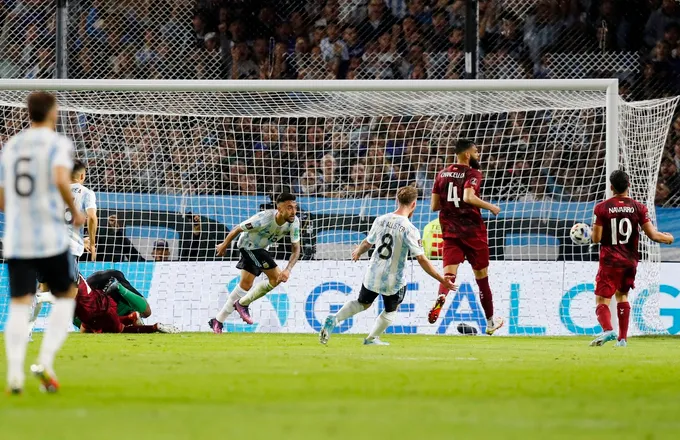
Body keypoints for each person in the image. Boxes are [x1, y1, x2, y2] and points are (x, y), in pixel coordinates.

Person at [1, 91, 85, 394]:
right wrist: (74, 210)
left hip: (18, 236)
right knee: (65, 296)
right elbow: (61, 178)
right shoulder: (58, 143)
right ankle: (45, 363)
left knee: (19, 303)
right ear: (52, 112)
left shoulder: (12, 145)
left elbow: (2, 198)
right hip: (49, 235)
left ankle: (14, 376)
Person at [319, 186, 456, 345]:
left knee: (363, 302)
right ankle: (371, 338)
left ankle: (334, 319)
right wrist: (441, 279)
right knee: (392, 308)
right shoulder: (410, 229)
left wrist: (358, 251)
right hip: (393, 278)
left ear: (397, 200)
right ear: (414, 204)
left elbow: (367, 243)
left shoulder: (381, 219)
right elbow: (422, 259)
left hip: (373, 272)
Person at [589, 170, 674, 347]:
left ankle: (607, 330)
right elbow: (653, 235)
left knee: (602, 300)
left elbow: (596, 239)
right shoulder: (639, 207)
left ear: (611, 187)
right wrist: (668, 238)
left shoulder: (601, 208)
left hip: (610, 261)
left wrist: (587, 233)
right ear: (629, 185)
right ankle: (622, 340)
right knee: (623, 296)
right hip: (630, 261)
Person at [428, 139, 504, 335]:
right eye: (476, 152)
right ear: (468, 155)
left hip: (450, 231)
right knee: (482, 279)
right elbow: (469, 197)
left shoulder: (442, 174)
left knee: (448, 275)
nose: (478, 155)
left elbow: (434, 206)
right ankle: (490, 322)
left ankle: (442, 297)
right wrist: (491, 207)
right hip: (473, 233)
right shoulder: (473, 173)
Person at [208, 193, 301, 332]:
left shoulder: (294, 222)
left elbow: (296, 249)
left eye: (295, 207)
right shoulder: (263, 219)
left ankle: (218, 320)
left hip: (261, 248)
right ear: (279, 209)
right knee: (276, 278)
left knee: (245, 285)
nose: (293, 211)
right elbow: (238, 228)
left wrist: (288, 269)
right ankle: (242, 304)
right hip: (248, 246)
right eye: (289, 208)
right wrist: (224, 244)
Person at [29, 159, 98, 339]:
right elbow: (92, 218)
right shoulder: (86, 193)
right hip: (67, 249)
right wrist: (92, 242)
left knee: (43, 286)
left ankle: (27, 330)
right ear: (82, 175)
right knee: (71, 293)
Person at [72, 275, 177, 334]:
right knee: (113, 328)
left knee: (117, 328)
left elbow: (84, 327)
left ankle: (118, 287)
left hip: (102, 292)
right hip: (98, 295)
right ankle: (132, 319)